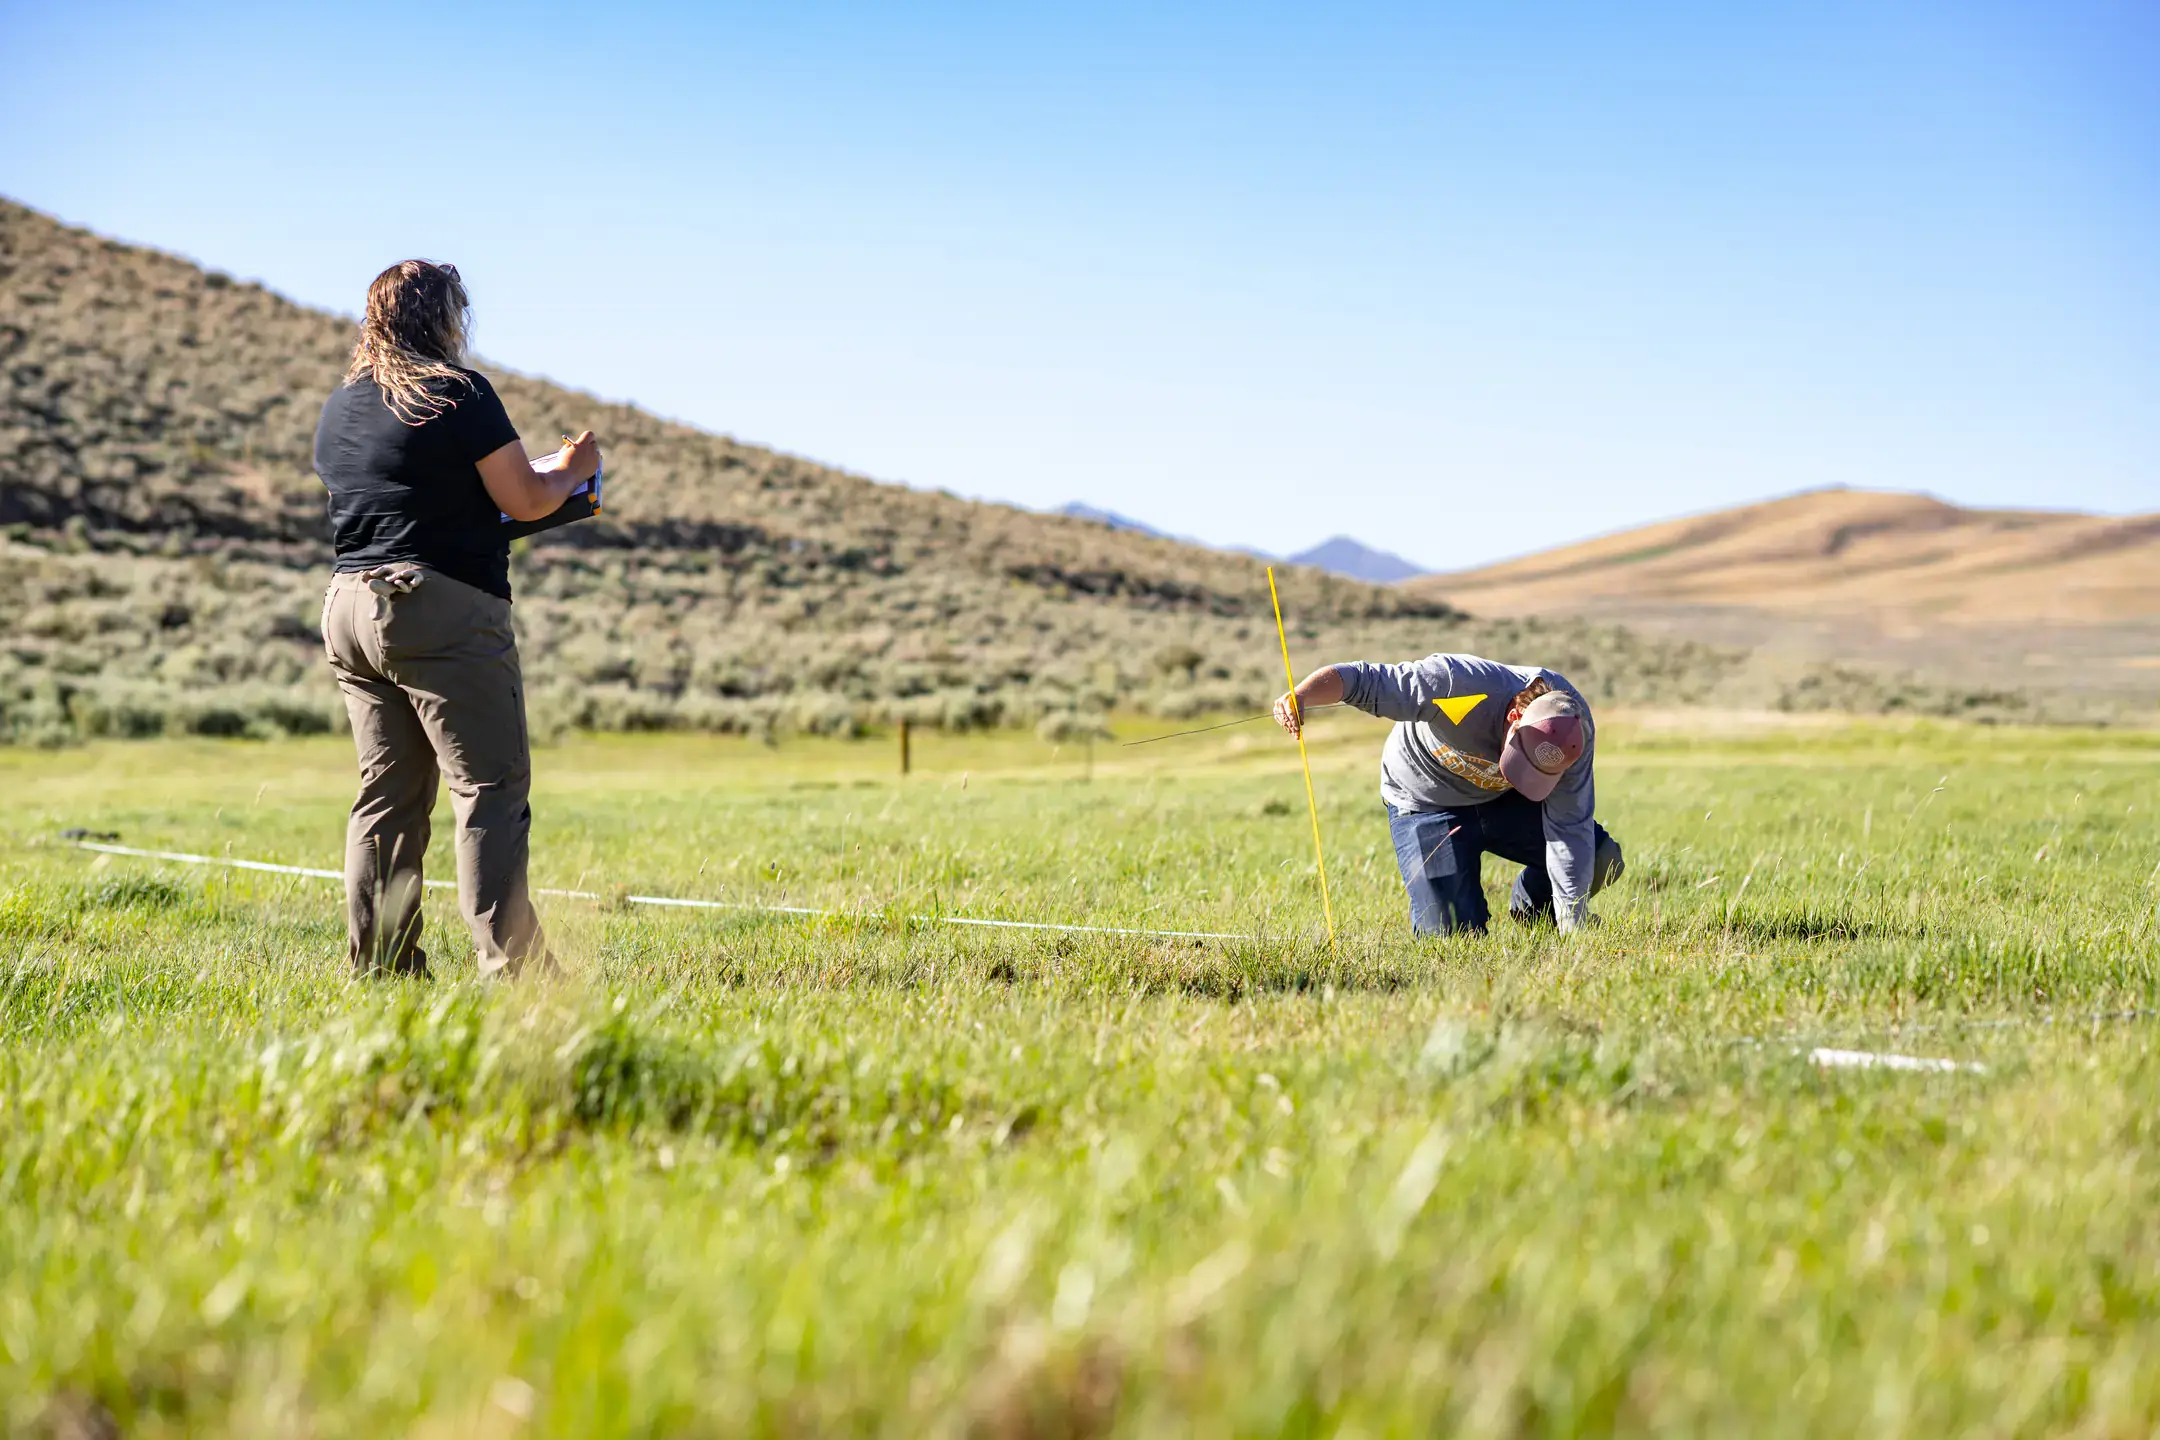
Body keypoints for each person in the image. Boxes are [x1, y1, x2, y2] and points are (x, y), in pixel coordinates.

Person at [312, 259, 599, 978]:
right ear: (444, 318)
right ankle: (518, 974)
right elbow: (527, 498)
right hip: (439, 606)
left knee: (387, 798)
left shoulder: (340, 405)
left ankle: (380, 968)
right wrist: (572, 467)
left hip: (350, 605)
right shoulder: (459, 393)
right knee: (489, 791)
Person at [1272, 653, 1624, 936]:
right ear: (1514, 716)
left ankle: (1534, 915)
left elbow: (1570, 827)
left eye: (1537, 773)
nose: (1526, 775)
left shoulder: (1573, 733)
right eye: (1522, 761)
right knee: (1451, 936)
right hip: (1427, 802)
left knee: (1600, 859)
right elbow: (1362, 680)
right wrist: (1301, 695)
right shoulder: (1456, 683)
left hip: (1503, 801)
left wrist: (1573, 925)